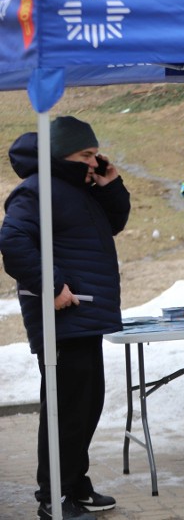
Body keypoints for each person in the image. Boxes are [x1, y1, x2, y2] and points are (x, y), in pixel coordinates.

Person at [0, 116, 131, 519]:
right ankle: (53, 497)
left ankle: (74, 484)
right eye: (86, 155)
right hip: (63, 315)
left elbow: (115, 223)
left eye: (96, 154)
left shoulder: (78, 189)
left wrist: (111, 185)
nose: (94, 162)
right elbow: (13, 240)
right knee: (66, 412)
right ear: (61, 155)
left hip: (85, 315)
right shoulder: (36, 191)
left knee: (85, 407)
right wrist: (52, 287)